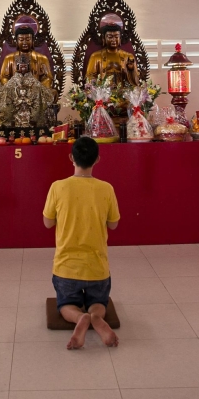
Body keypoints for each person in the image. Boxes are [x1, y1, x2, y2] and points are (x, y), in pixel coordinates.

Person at [43, 136, 120, 350]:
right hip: (97, 268)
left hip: (66, 268)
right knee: (99, 303)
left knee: (66, 305)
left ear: (71, 158)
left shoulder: (58, 187)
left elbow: (48, 223)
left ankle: (79, 318)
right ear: (97, 160)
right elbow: (113, 225)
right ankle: (96, 316)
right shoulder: (106, 189)